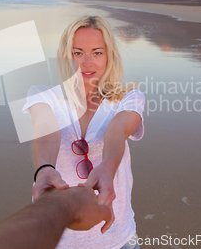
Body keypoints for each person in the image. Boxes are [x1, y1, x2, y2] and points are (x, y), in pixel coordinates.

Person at [22, 15, 145, 249]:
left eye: (97, 52)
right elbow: (45, 129)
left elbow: (117, 129)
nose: (87, 63)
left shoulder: (129, 98)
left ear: (110, 55)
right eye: (78, 53)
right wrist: (45, 168)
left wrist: (108, 168)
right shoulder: (43, 96)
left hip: (117, 240)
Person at [0, 185, 112, 249]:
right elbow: (39, 126)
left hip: (118, 240)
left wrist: (108, 166)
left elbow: (121, 126)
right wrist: (68, 204)